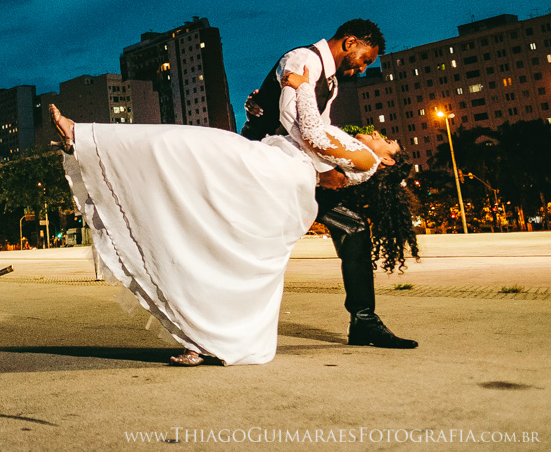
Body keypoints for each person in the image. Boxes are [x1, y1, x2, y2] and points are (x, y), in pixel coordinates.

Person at [52, 65, 399, 366]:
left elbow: (310, 131)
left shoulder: (365, 160)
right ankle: (203, 338)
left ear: (386, 161)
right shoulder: (355, 148)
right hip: (274, 169)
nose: (378, 135)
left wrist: (301, 84)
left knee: (186, 146)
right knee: (209, 221)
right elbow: (305, 127)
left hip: (277, 175)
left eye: (387, 142)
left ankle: (86, 139)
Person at [243, 19, 418, 350]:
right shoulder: (302, 61)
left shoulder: (331, 81)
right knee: (251, 246)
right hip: (268, 168)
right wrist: (324, 169)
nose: (364, 68)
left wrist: (331, 166)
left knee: (353, 228)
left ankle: (364, 321)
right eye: (366, 59)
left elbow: (321, 128)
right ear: (350, 42)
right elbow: (294, 123)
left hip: (299, 171)